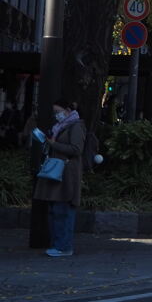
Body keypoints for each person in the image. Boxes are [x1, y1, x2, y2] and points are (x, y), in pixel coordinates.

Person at [33, 98, 86, 257]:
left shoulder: (75, 126)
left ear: (68, 110)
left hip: (66, 173)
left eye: (58, 112)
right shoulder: (61, 126)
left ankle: (63, 246)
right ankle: (59, 244)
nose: (56, 115)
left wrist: (53, 144)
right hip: (58, 171)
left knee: (63, 210)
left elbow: (76, 149)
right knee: (56, 209)